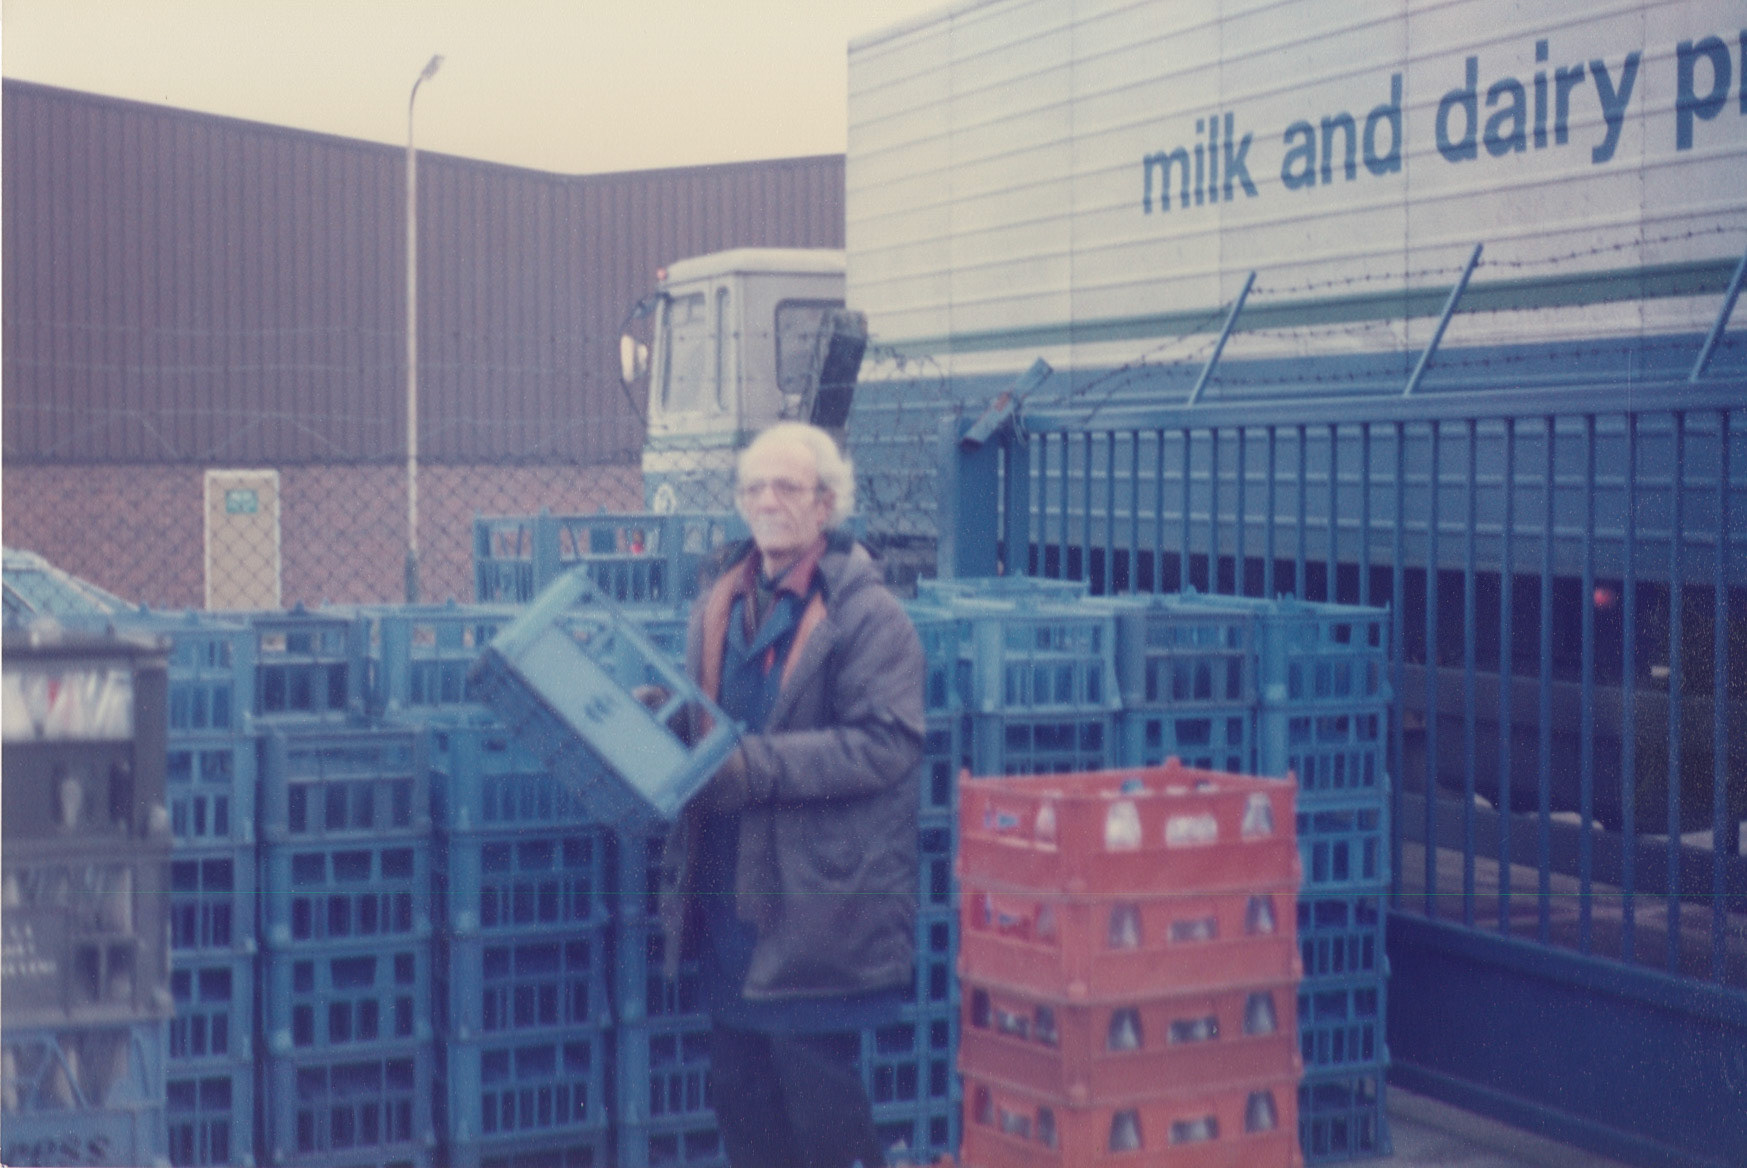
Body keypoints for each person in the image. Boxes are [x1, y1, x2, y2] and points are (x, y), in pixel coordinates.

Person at [658, 421, 924, 1168]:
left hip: (812, 904)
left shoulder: (870, 617)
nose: (768, 500)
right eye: (755, 487)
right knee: (742, 1096)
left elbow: (887, 744)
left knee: (818, 1107)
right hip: (728, 895)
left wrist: (755, 768)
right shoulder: (721, 600)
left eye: (788, 487)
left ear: (826, 503)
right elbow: (714, 716)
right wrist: (664, 714)